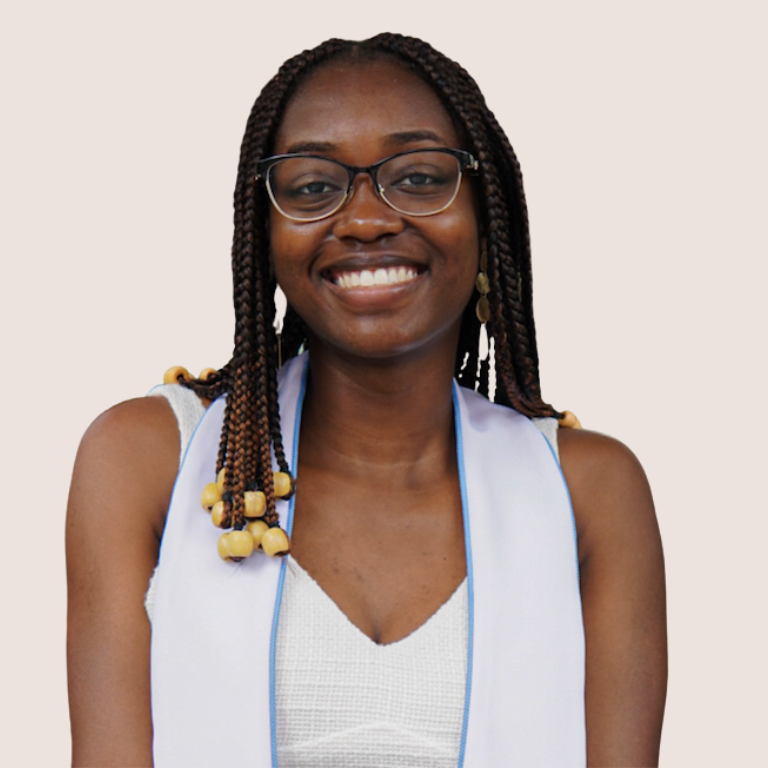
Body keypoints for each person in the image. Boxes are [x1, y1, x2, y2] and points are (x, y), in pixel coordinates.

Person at [66, 33, 667, 768]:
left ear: (488, 214)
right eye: (314, 185)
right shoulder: (151, 459)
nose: (365, 220)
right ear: (265, 233)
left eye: (418, 177)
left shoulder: (590, 490)